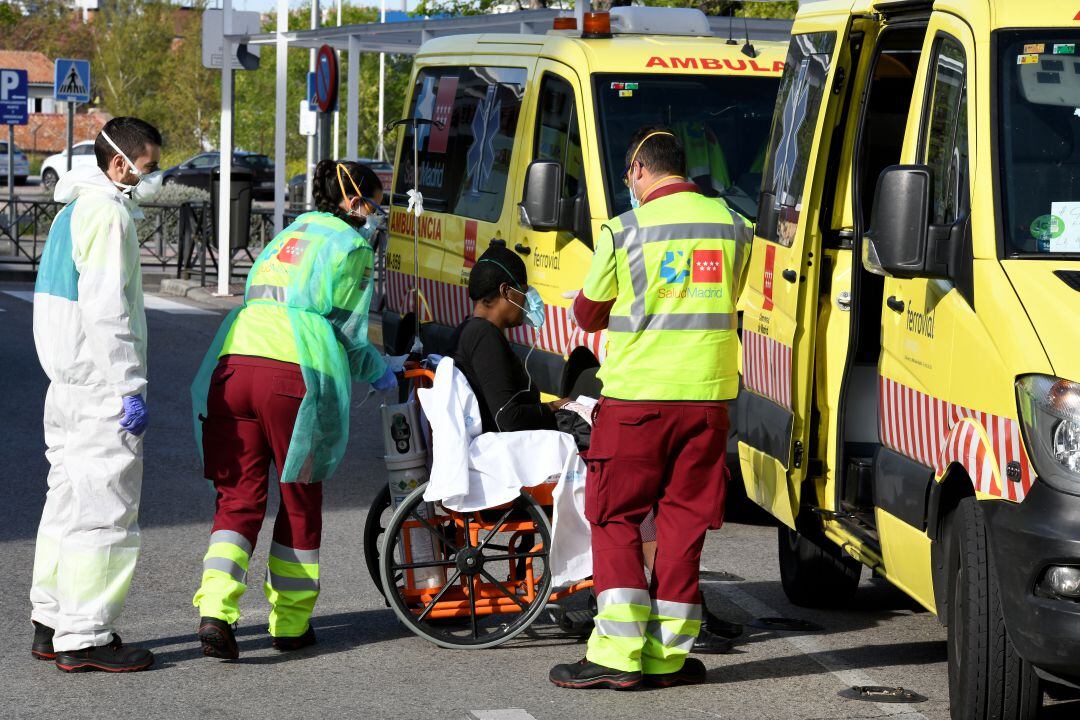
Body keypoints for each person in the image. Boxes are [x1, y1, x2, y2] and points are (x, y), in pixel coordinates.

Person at [550, 126, 751, 689]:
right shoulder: (736, 226)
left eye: (628, 175)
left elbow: (588, 315)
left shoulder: (625, 230)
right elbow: (728, 294)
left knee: (615, 518)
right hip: (708, 400)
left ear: (641, 169)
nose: (628, 185)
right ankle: (666, 658)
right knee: (684, 525)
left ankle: (616, 656)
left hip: (638, 399)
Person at [190, 159, 396, 659]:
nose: (376, 212)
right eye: (372, 200)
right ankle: (290, 622)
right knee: (299, 495)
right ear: (353, 201)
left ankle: (216, 611)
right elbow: (346, 333)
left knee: (237, 499)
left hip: (233, 361)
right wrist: (380, 369)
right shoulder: (351, 247)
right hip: (292, 373)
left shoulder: (288, 234)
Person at [30, 117, 163, 673]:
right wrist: (129, 386)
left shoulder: (70, 210)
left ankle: (51, 620)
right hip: (100, 387)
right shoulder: (107, 214)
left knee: (64, 505)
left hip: (65, 386)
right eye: (148, 168)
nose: (151, 179)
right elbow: (108, 310)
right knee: (105, 512)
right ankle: (84, 636)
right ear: (119, 165)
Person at [450, 246, 567, 432]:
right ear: (506, 291)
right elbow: (508, 417)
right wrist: (555, 407)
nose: (528, 302)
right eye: (524, 292)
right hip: (502, 452)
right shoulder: (484, 337)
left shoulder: (467, 329)